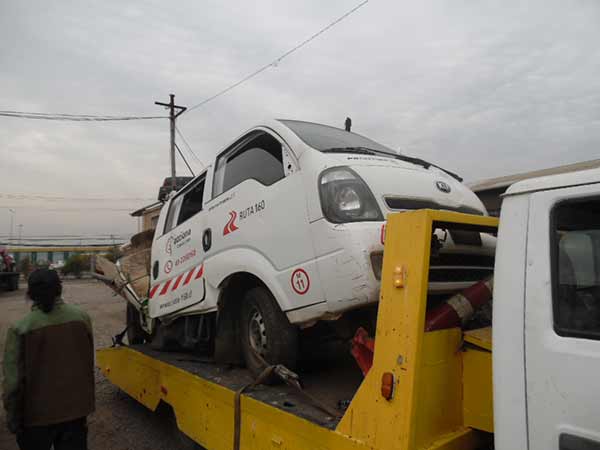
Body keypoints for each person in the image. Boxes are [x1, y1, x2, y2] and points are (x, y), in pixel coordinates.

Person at [2, 268, 95, 450]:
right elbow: (86, 362)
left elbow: (12, 385)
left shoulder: (20, 328)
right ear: (59, 289)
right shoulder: (82, 318)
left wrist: (13, 419)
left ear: (30, 294)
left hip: (35, 419)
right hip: (76, 413)